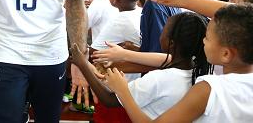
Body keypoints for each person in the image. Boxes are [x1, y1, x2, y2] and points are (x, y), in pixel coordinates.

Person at [105, 3, 253, 122]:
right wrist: (127, 55)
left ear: (225, 54)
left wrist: (122, 90)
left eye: (207, 38)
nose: (203, 42)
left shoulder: (208, 89)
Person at [73, 12, 211, 119]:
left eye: (164, 29)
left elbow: (110, 100)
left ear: (171, 43)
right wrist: (123, 54)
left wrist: (83, 64)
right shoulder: (195, 69)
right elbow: (165, 59)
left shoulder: (159, 79)